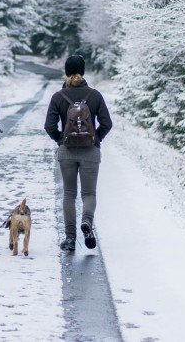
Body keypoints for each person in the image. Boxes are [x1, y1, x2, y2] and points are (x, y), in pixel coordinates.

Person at [44, 54, 113, 252]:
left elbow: (49, 126)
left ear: (66, 72)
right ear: (83, 72)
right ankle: (87, 222)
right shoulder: (95, 95)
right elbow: (107, 123)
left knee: (69, 194)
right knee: (89, 193)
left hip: (67, 152)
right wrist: (95, 139)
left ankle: (70, 239)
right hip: (90, 151)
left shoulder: (58, 96)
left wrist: (61, 139)